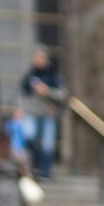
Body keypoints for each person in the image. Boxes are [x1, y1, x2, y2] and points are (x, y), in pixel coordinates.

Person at [20, 49, 65, 180]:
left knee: (47, 145)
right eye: (37, 58)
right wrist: (20, 109)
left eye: (41, 58)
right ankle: (35, 166)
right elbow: (23, 92)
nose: (38, 61)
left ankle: (45, 172)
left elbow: (62, 94)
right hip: (32, 112)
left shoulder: (54, 75)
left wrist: (47, 91)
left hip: (47, 114)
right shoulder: (31, 73)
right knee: (29, 136)